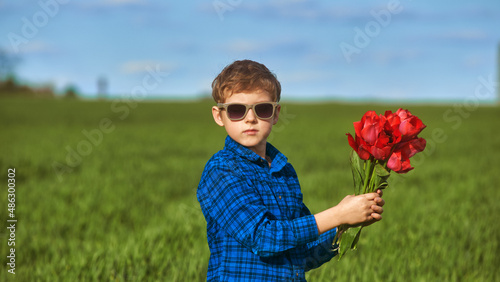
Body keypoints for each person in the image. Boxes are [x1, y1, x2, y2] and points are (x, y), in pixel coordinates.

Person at [197, 60, 385, 281]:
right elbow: (263, 238)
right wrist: (338, 214)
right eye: (237, 110)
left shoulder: (283, 171)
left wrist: (345, 226)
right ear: (219, 115)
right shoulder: (222, 170)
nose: (250, 118)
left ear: (275, 114)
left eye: (262, 109)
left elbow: (303, 254)